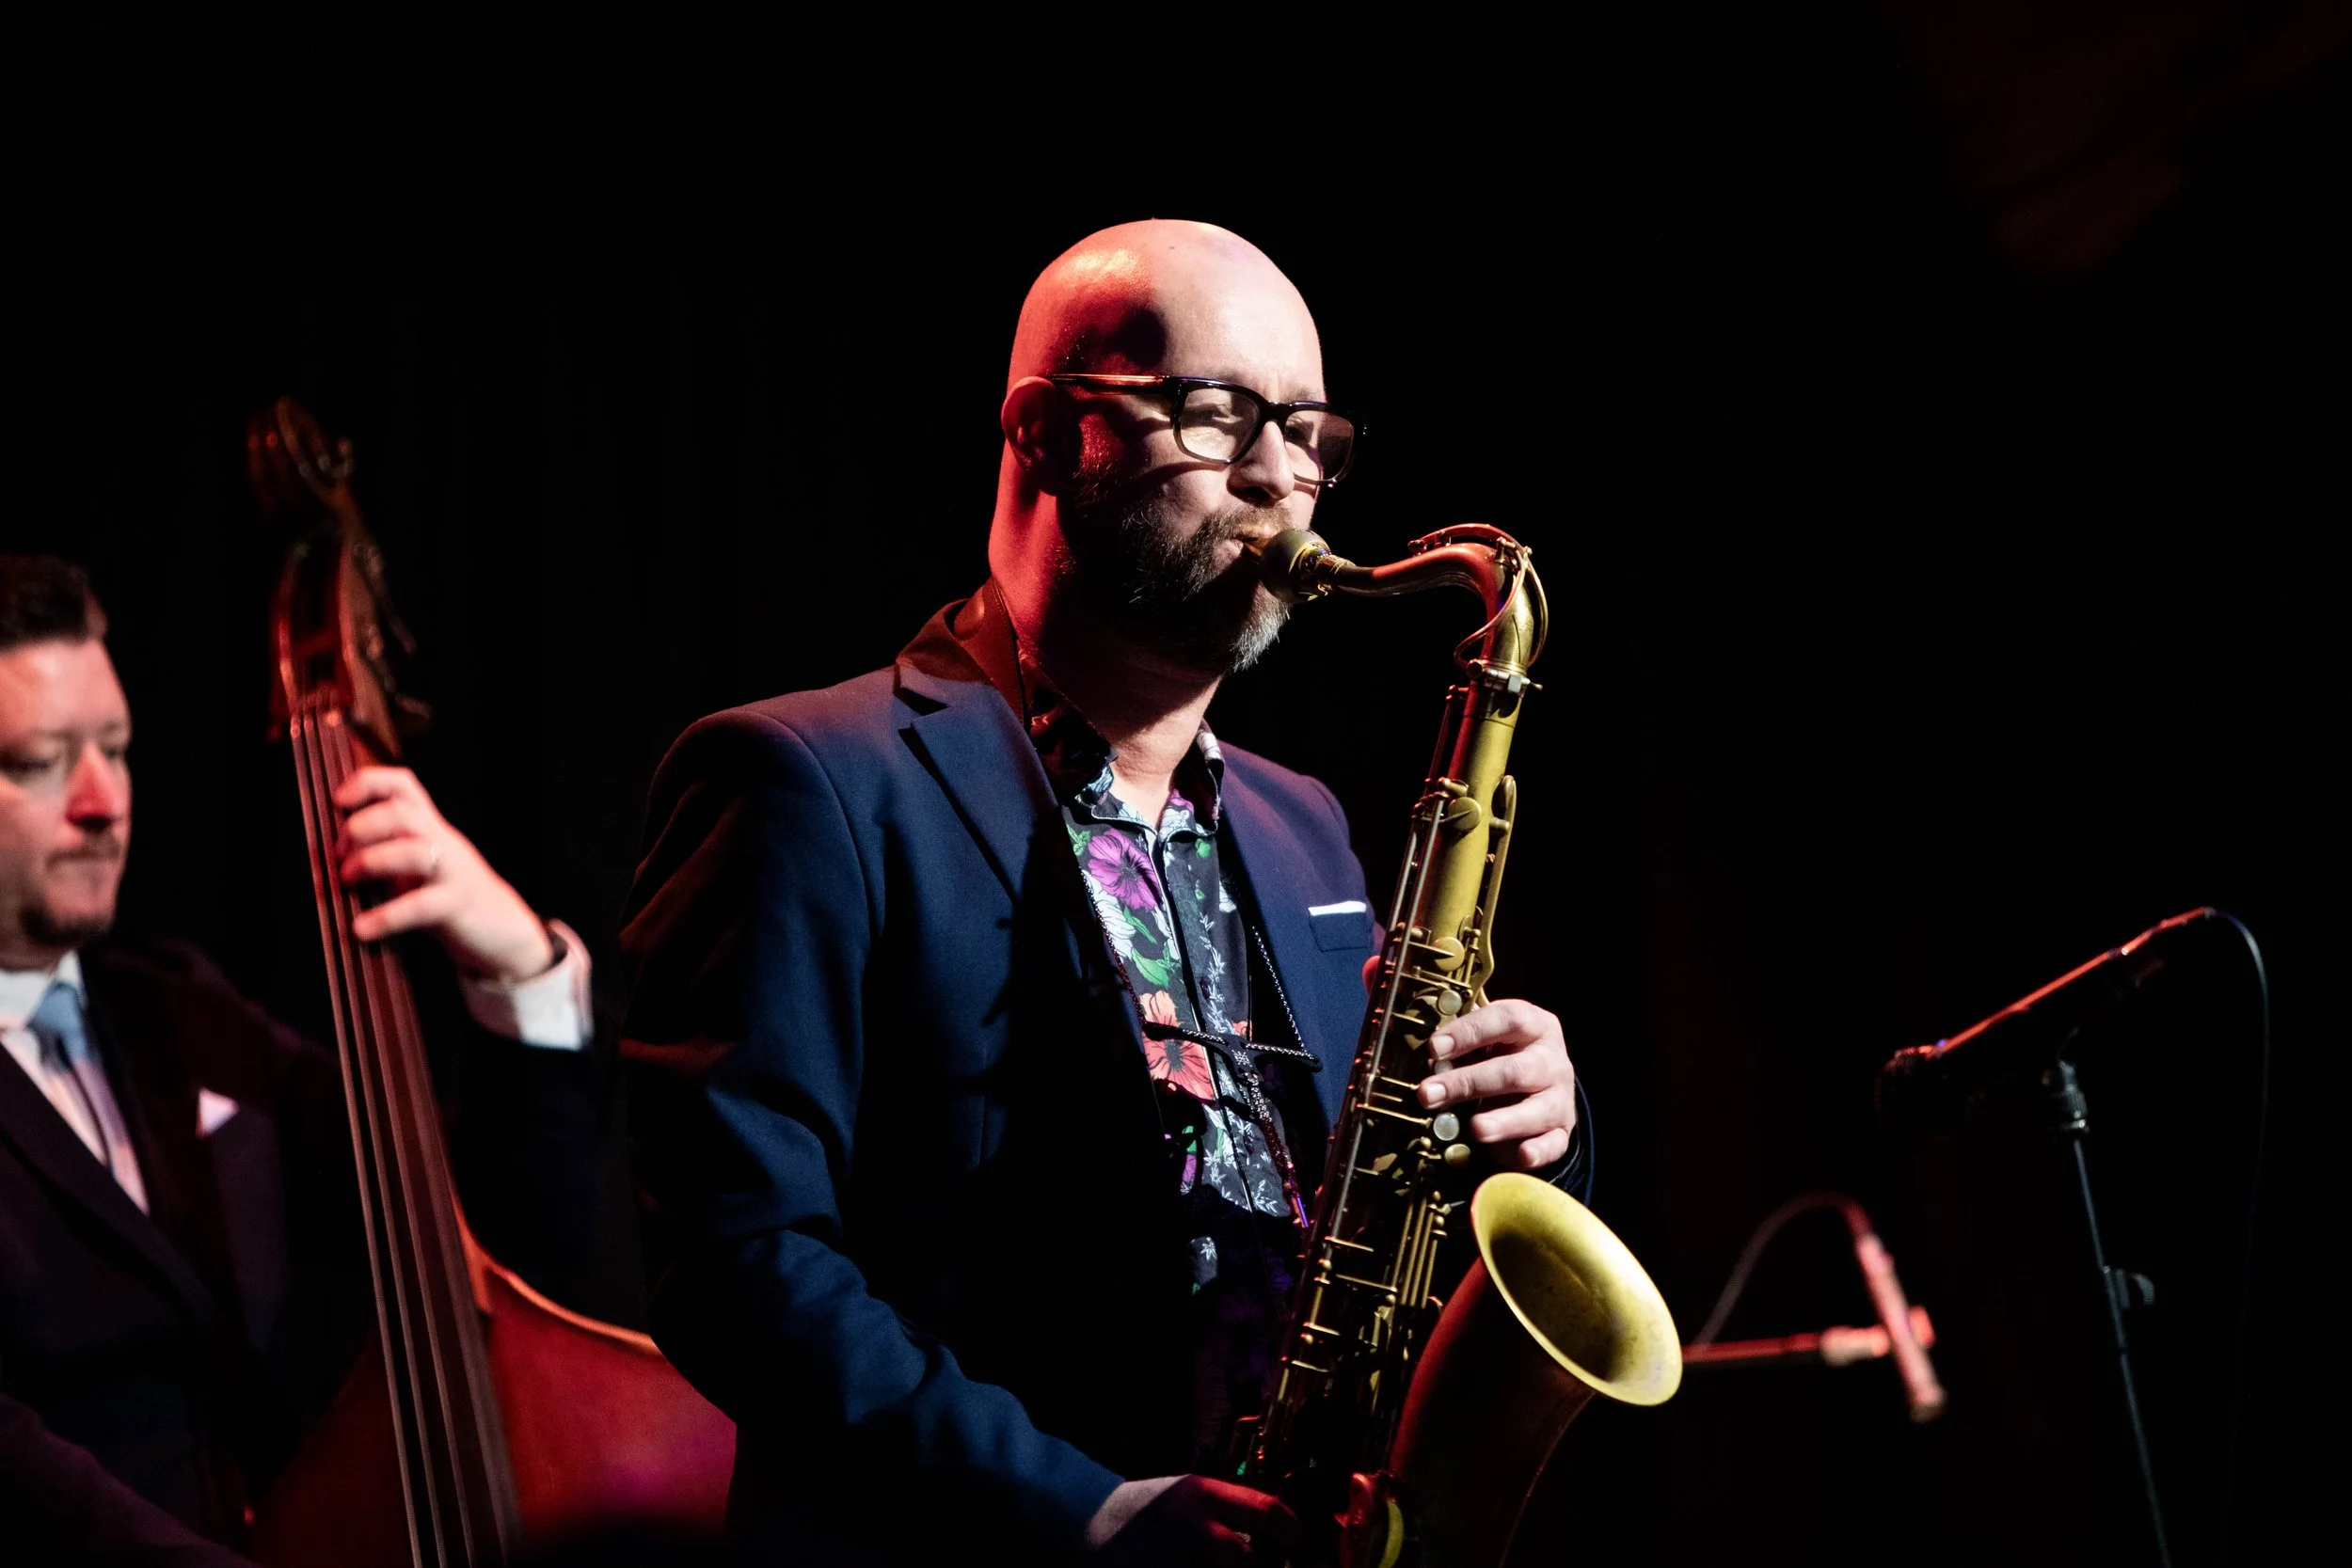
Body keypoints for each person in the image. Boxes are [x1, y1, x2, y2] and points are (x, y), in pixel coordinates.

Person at [621, 220, 1590, 1564]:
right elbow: (740, 1266)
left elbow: (1372, 1217)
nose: (1279, 476)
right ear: (1039, 435)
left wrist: (1521, 1127)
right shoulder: (801, 780)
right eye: (1215, 413)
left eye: (1308, 432)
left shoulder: (1306, 826)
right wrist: (1086, 1513)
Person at [0, 554, 611, 1560]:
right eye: (40, 760)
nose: (103, 801)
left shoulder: (185, 1011)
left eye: (116, 747)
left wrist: (519, 967)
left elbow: (514, 1238)